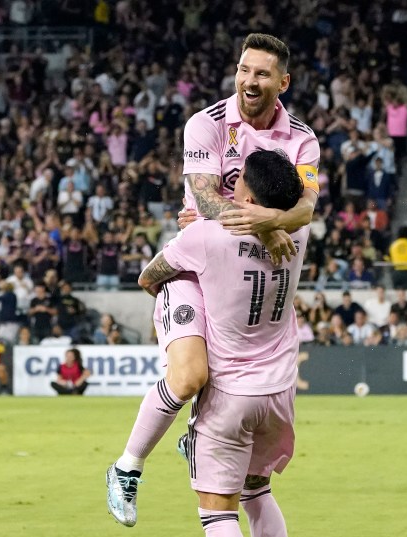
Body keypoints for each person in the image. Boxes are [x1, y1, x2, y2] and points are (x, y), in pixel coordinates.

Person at [117, 151, 307, 537]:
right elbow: (289, 214)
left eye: (235, 183)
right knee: (258, 491)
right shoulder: (299, 237)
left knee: (217, 514)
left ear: (246, 196)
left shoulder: (206, 239)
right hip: (280, 393)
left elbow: (149, 275)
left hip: (230, 397)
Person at [113, 33, 321, 489]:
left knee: (240, 385)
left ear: (282, 82)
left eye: (261, 73)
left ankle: (198, 438)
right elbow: (205, 200)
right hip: (197, 262)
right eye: (244, 69)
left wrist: (269, 224)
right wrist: (268, 225)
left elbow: (307, 209)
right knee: (189, 378)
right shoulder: (206, 123)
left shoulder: (303, 139)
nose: (249, 79)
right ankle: (127, 467)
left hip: (251, 271)